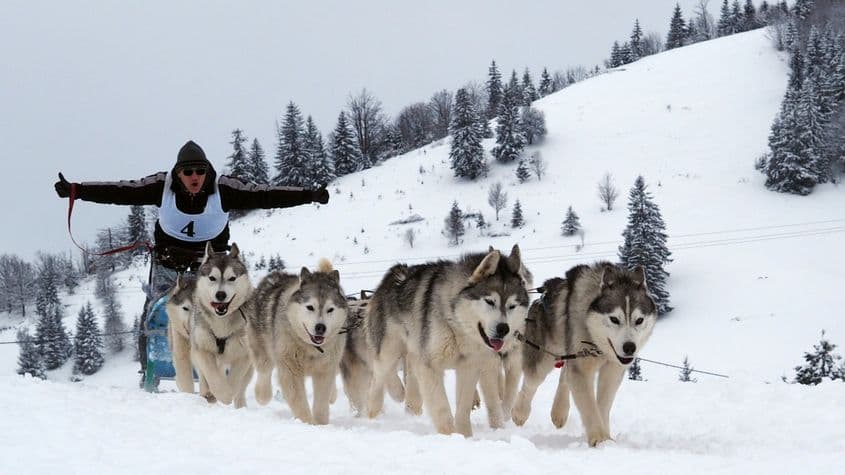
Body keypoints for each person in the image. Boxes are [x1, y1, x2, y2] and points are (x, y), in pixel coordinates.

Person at [54, 140, 329, 381]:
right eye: (188, 172)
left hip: (213, 269)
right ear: (178, 174)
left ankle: (238, 370)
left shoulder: (224, 189)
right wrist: (77, 190)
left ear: (207, 172)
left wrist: (309, 195)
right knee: (156, 314)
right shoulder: (162, 187)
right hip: (168, 264)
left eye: (200, 171)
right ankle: (150, 371)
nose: (194, 177)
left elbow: (266, 195)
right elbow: (120, 191)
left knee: (232, 314)